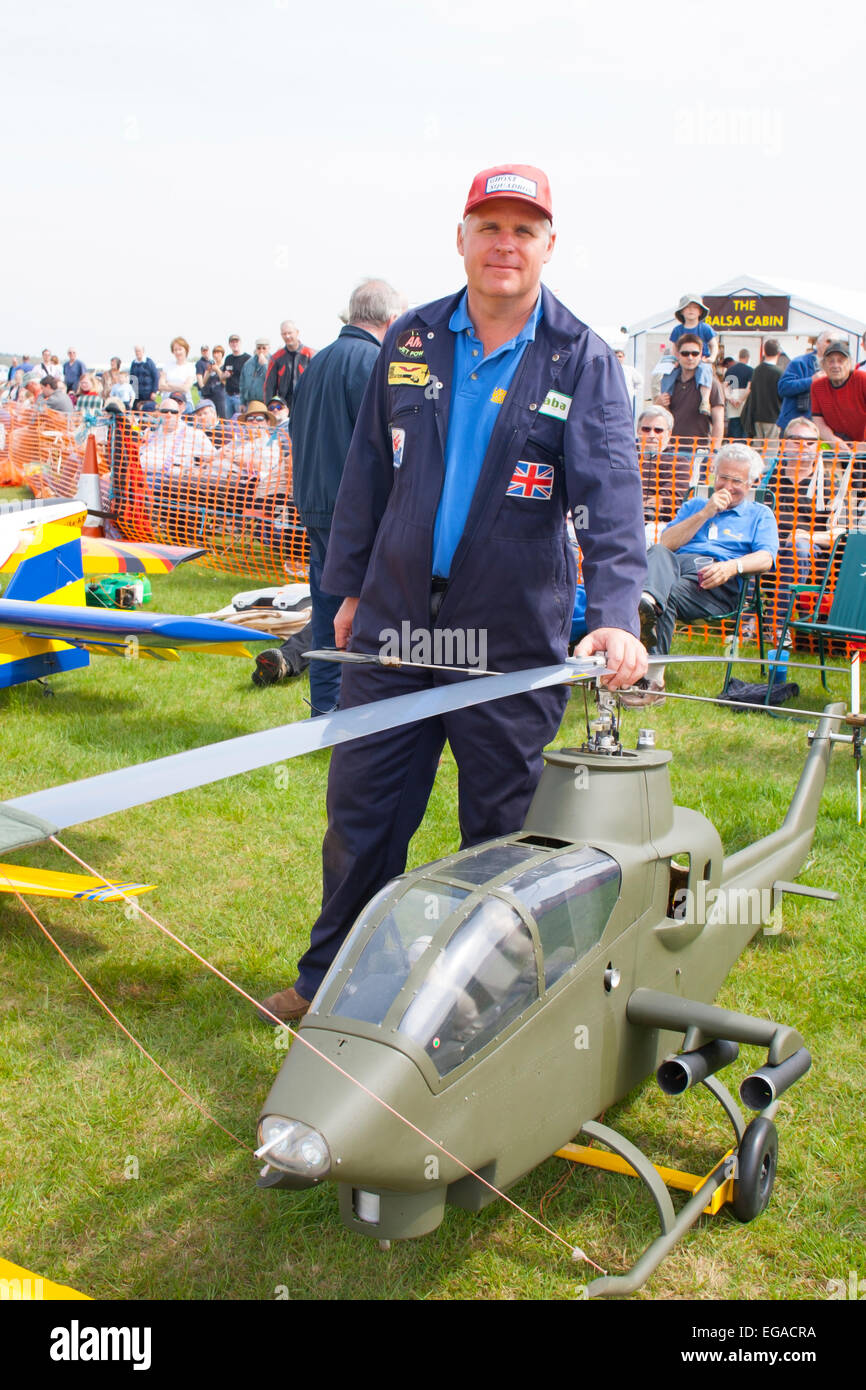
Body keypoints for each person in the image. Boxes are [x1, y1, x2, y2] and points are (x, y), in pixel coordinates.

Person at [259, 162, 648, 1023]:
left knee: (504, 835)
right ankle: (332, 982)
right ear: (462, 237)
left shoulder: (580, 356)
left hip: (506, 634)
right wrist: (349, 590)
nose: (504, 244)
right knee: (362, 815)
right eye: (489, 226)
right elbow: (366, 473)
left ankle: (492, 1004)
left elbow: (612, 495)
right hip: (396, 626)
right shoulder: (411, 337)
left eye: (523, 229)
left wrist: (618, 617)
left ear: (549, 244)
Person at [252, 279, 403, 704]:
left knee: (326, 617)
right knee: (363, 617)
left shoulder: (316, 362)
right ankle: (355, 714)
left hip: (315, 503)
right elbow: (387, 445)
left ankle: (325, 711)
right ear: (391, 320)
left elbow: (296, 431)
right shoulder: (375, 362)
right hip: (355, 512)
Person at [638, 444, 778, 675]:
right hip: (676, 570)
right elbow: (667, 542)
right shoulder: (695, 506)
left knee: (664, 593)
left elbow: (766, 558)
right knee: (658, 553)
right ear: (714, 475)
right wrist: (706, 512)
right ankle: (647, 601)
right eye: (723, 478)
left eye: (737, 481)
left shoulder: (760, 514)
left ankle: (651, 674)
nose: (728, 486)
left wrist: (733, 566)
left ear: (751, 483)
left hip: (717, 582)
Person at [772, 417, 842, 637]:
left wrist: (808, 537)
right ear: (784, 444)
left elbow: (840, 532)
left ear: (818, 447)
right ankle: (744, 620)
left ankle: (777, 627)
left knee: (797, 547)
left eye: (811, 442)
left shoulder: (829, 484)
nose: (803, 446)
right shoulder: (767, 480)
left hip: (809, 554)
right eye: (796, 440)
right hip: (767, 548)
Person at [655, 334, 724, 443]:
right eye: (685, 353)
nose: (690, 357)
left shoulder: (711, 383)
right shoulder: (669, 382)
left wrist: (714, 451)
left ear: (701, 354)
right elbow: (663, 419)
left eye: (695, 353)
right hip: (670, 449)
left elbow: (718, 421)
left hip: (699, 450)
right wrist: (659, 405)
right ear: (678, 355)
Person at [667, 295, 718, 415]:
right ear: (682, 311)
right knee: (667, 373)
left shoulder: (705, 328)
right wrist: (675, 359)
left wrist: (712, 358)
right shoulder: (677, 330)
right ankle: (666, 398)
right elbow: (673, 347)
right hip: (682, 361)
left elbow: (714, 345)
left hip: (701, 360)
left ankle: (705, 400)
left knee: (705, 370)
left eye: (694, 307)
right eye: (687, 307)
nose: (691, 310)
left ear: (700, 311)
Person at [776, 329, 835, 434]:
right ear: (818, 344)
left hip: (823, 429)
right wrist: (811, 380)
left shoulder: (838, 367)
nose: (832, 345)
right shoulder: (799, 363)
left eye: (835, 342)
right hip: (796, 428)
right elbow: (783, 388)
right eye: (828, 341)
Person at [811, 340, 866, 447]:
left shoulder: (862, 380)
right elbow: (819, 422)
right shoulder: (817, 386)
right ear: (823, 365)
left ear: (850, 363)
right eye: (830, 361)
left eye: (841, 361)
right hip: (837, 444)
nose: (835, 365)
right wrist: (834, 441)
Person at [263, 320, 314, 413]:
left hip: (306, 403)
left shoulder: (310, 355)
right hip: (283, 405)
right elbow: (269, 386)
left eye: (290, 333)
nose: (287, 336)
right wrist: (269, 409)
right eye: (284, 334)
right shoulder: (276, 358)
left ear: (297, 332)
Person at [741, 340, 782, 438]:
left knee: (757, 450)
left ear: (764, 351)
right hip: (773, 418)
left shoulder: (757, 370)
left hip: (756, 418)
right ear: (779, 353)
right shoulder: (779, 373)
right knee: (770, 450)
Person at [723, 350, 754, 438]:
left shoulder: (730, 370)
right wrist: (741, 400)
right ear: (747, 358)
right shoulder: (751, 370)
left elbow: (725, 386)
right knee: (744, 429)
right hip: (744, 402)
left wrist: (730, 398)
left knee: (734, 428)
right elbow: (749, 388)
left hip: (732, 401)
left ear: (739, 357)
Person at [159, 337, 196, 407]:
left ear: (186, 350)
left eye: (180, 349)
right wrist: (180, 387)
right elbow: (161, 386)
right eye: (175, 350)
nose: (177, 352)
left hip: (184, 403)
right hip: (167, 402)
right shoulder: (167, 366)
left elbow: (186, 388)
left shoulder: (190, 367)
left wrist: (169, 384)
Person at [222, 334, 249, 417]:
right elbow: (222, 376)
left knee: (241, 422)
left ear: (240, 343)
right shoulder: (228, 358)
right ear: (229, 344)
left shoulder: (247, 358)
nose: (234, 344)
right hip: (228, 395)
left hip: (240, 396)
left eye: (236, 342)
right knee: (229, 423)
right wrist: (224, 375)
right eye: (232, 342)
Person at [200, 345, 229, 419]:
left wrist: (217, 370)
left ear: (222, 354)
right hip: (209, 395)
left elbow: (225, 382)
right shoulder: (210, 366)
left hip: (221, 395)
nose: (216, 355)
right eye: (215, 353)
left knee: (223, 417)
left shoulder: (225, 366)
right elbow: (203, 382)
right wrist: (209, 371)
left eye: (218, 353)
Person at [239, 338, 270, 407]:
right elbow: (242, 384)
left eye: (264, 348)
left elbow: (271, 380)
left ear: (268, 349)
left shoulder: (273, 362)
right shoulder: (248, 364)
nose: (261, 351)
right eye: (259, 348)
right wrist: (242, 403)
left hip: (266, 402)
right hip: (250, 402)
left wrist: (265, 365)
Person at [130, 346, 159, 411]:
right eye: (136, 351)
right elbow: (131, 379)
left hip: (150, 393)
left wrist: (154, 391)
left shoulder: (149, 362)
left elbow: (156, 377)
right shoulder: (133, 363)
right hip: (137, 394)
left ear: (143, 351)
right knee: (136, 411)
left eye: (139, 351)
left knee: (159, 404)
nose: (137, 353)